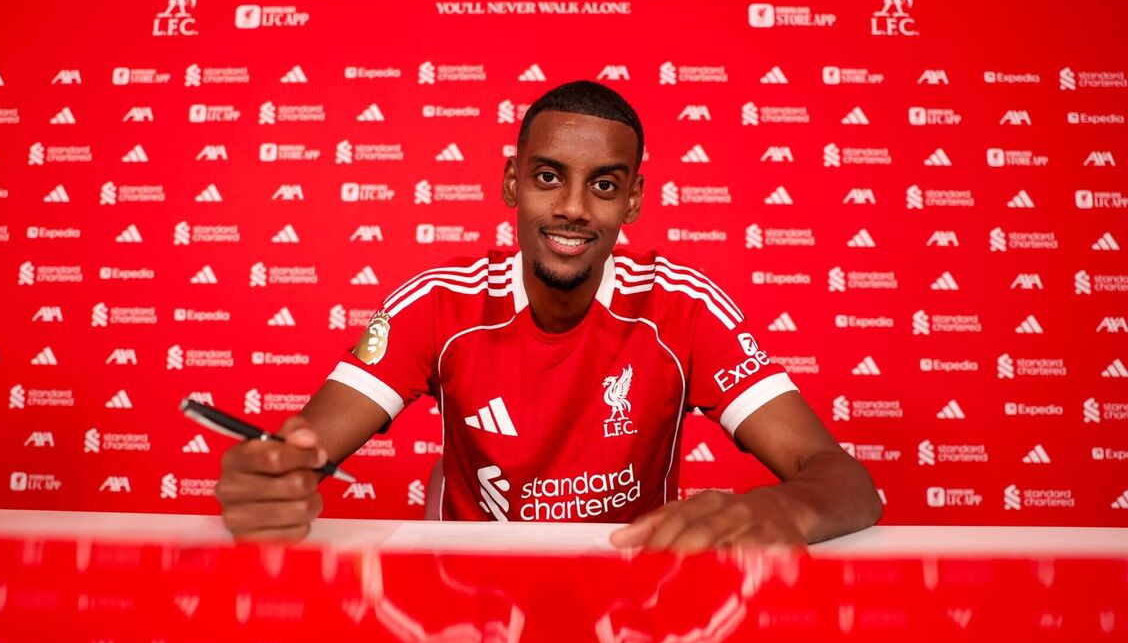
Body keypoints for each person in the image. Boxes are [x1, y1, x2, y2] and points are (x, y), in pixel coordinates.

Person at [215, 81, 882, 551]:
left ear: (633, 200)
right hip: (470, 602)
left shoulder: (682, 307)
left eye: (604, 185)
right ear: (512, 181)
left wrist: (777, 509)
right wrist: (271, 480)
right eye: (547, 177)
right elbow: (301, 454)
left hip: (629, 598)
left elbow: (846, 480)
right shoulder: (439, 303)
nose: (572, 208)